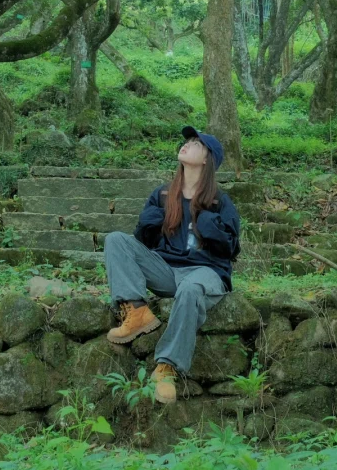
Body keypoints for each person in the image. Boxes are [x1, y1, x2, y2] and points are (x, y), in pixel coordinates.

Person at [102, 126, 240, 405]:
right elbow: (144, 241)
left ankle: (166, 369)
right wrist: (147, 226)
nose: (186, 145)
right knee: (116, 240)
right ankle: (137, 312)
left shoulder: (219, 201)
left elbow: (231, 250)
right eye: (186, 141)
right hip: (166, 270)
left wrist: (211, 228)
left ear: (207, 159)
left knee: (190, 289)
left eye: (195, 143)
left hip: (205, 272)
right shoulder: (163, 195)